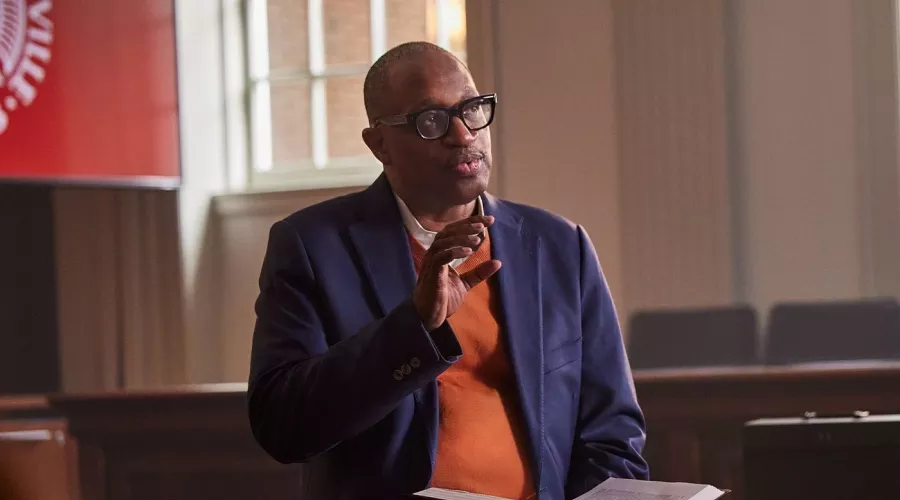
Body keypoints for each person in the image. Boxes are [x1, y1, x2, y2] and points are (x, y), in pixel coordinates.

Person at [247, 41, 648, 500]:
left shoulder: (557, 245)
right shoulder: (314, 246)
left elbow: (612, 432)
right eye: (431, 120)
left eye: (472, 109)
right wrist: (413, 326)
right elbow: (283, 427)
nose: (463, 134)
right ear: (380, 144)